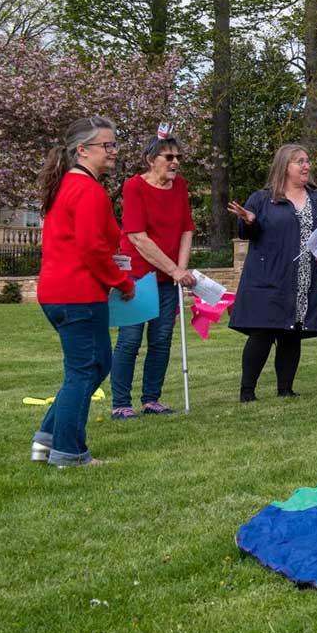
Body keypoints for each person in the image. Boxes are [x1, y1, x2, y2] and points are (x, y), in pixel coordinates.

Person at [31, 116, 135, 468]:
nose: (114, 152)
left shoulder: (67, 187)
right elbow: (92, 248)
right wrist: (122, 282)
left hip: (59, 292)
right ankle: (70, 452)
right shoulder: (88, 190)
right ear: (82, 150)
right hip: (78, 293)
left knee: (93, 365)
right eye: (107, 145)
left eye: (114, 144)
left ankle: (46, 440)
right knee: (85, 369)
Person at [226, 145, 317, 402]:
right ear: (284, 167)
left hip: (306, 277)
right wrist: (249, 221)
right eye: (299, 162)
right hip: (270, 277)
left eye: (307, 161)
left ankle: (285, 388)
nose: (306, 166)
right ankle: (247, 391)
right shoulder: (262, 199)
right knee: (263, 332)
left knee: (292, 332)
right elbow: (248, 233)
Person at [109, 126, 196, 420]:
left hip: (168, 278)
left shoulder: (180, 186)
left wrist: (179, 270)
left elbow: (186, 229)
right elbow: (137, 237)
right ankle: (121, 402)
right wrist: (174, 269)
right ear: (151, 159)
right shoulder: (134, 186)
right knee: (131, 339)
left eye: (178, 157)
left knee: (161, 340)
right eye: (168, 156)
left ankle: (151, 399)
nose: (175, 162)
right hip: (137, 275)